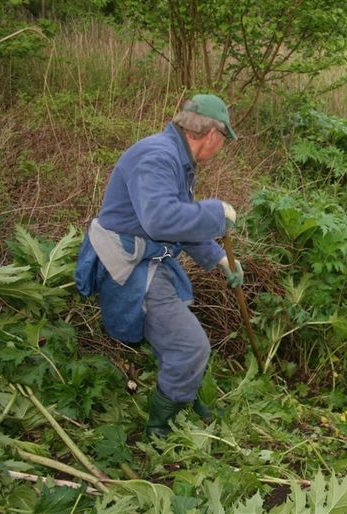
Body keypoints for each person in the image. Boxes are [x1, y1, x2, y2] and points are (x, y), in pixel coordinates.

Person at [74, 94, 245, 437]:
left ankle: (182, 393)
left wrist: (221, 258)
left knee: (179, 336)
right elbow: (162, 220)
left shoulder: (176, 158)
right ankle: (161, 431)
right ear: (213, 134)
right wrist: (215, 212)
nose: (221, 148)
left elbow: (181, 221)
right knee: (189, 345)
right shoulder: (157, 157)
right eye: (224, 140)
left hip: (148, 260)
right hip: (129, 265)